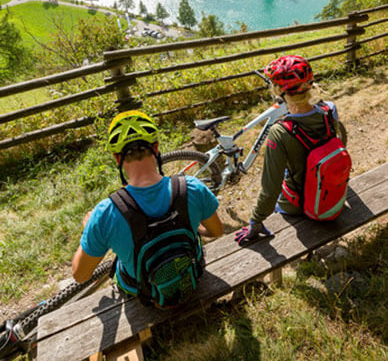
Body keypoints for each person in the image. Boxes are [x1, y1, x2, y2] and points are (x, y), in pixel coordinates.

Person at [72, 110, 223, 305]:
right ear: (157, 148)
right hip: (191, 276)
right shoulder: (192, 188)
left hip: (145, 296)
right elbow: (217, 231)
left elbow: (80, 275)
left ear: (117, 158)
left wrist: (89, 228)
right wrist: (194, 227)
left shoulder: (105, 213)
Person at [234, 55, 348, 246]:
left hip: (298, 205)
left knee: (281, 199)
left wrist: (255, 221)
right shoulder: (329, 110)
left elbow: (270, 190)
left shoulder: (279, 132)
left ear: (279, 91)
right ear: (309, 84)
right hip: (329, 193)